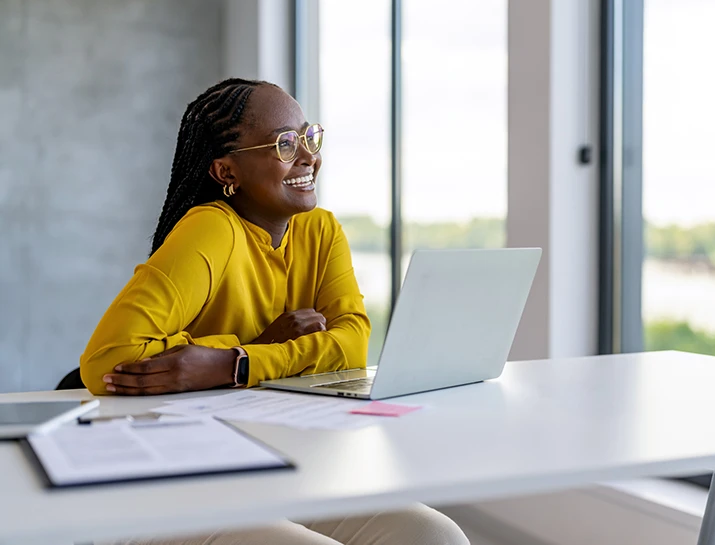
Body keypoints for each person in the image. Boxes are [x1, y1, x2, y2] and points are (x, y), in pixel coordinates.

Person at [80, 78, 469, 545]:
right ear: (227, 173)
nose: (308, 156)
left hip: (275, 460)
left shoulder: (320, 231)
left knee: (435, 534)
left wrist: (236, 362)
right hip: (175, 479)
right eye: (285, 144)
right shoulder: (210, 229)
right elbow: (108, 359)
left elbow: (353, 344)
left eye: (308, 136)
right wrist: (257, 351)